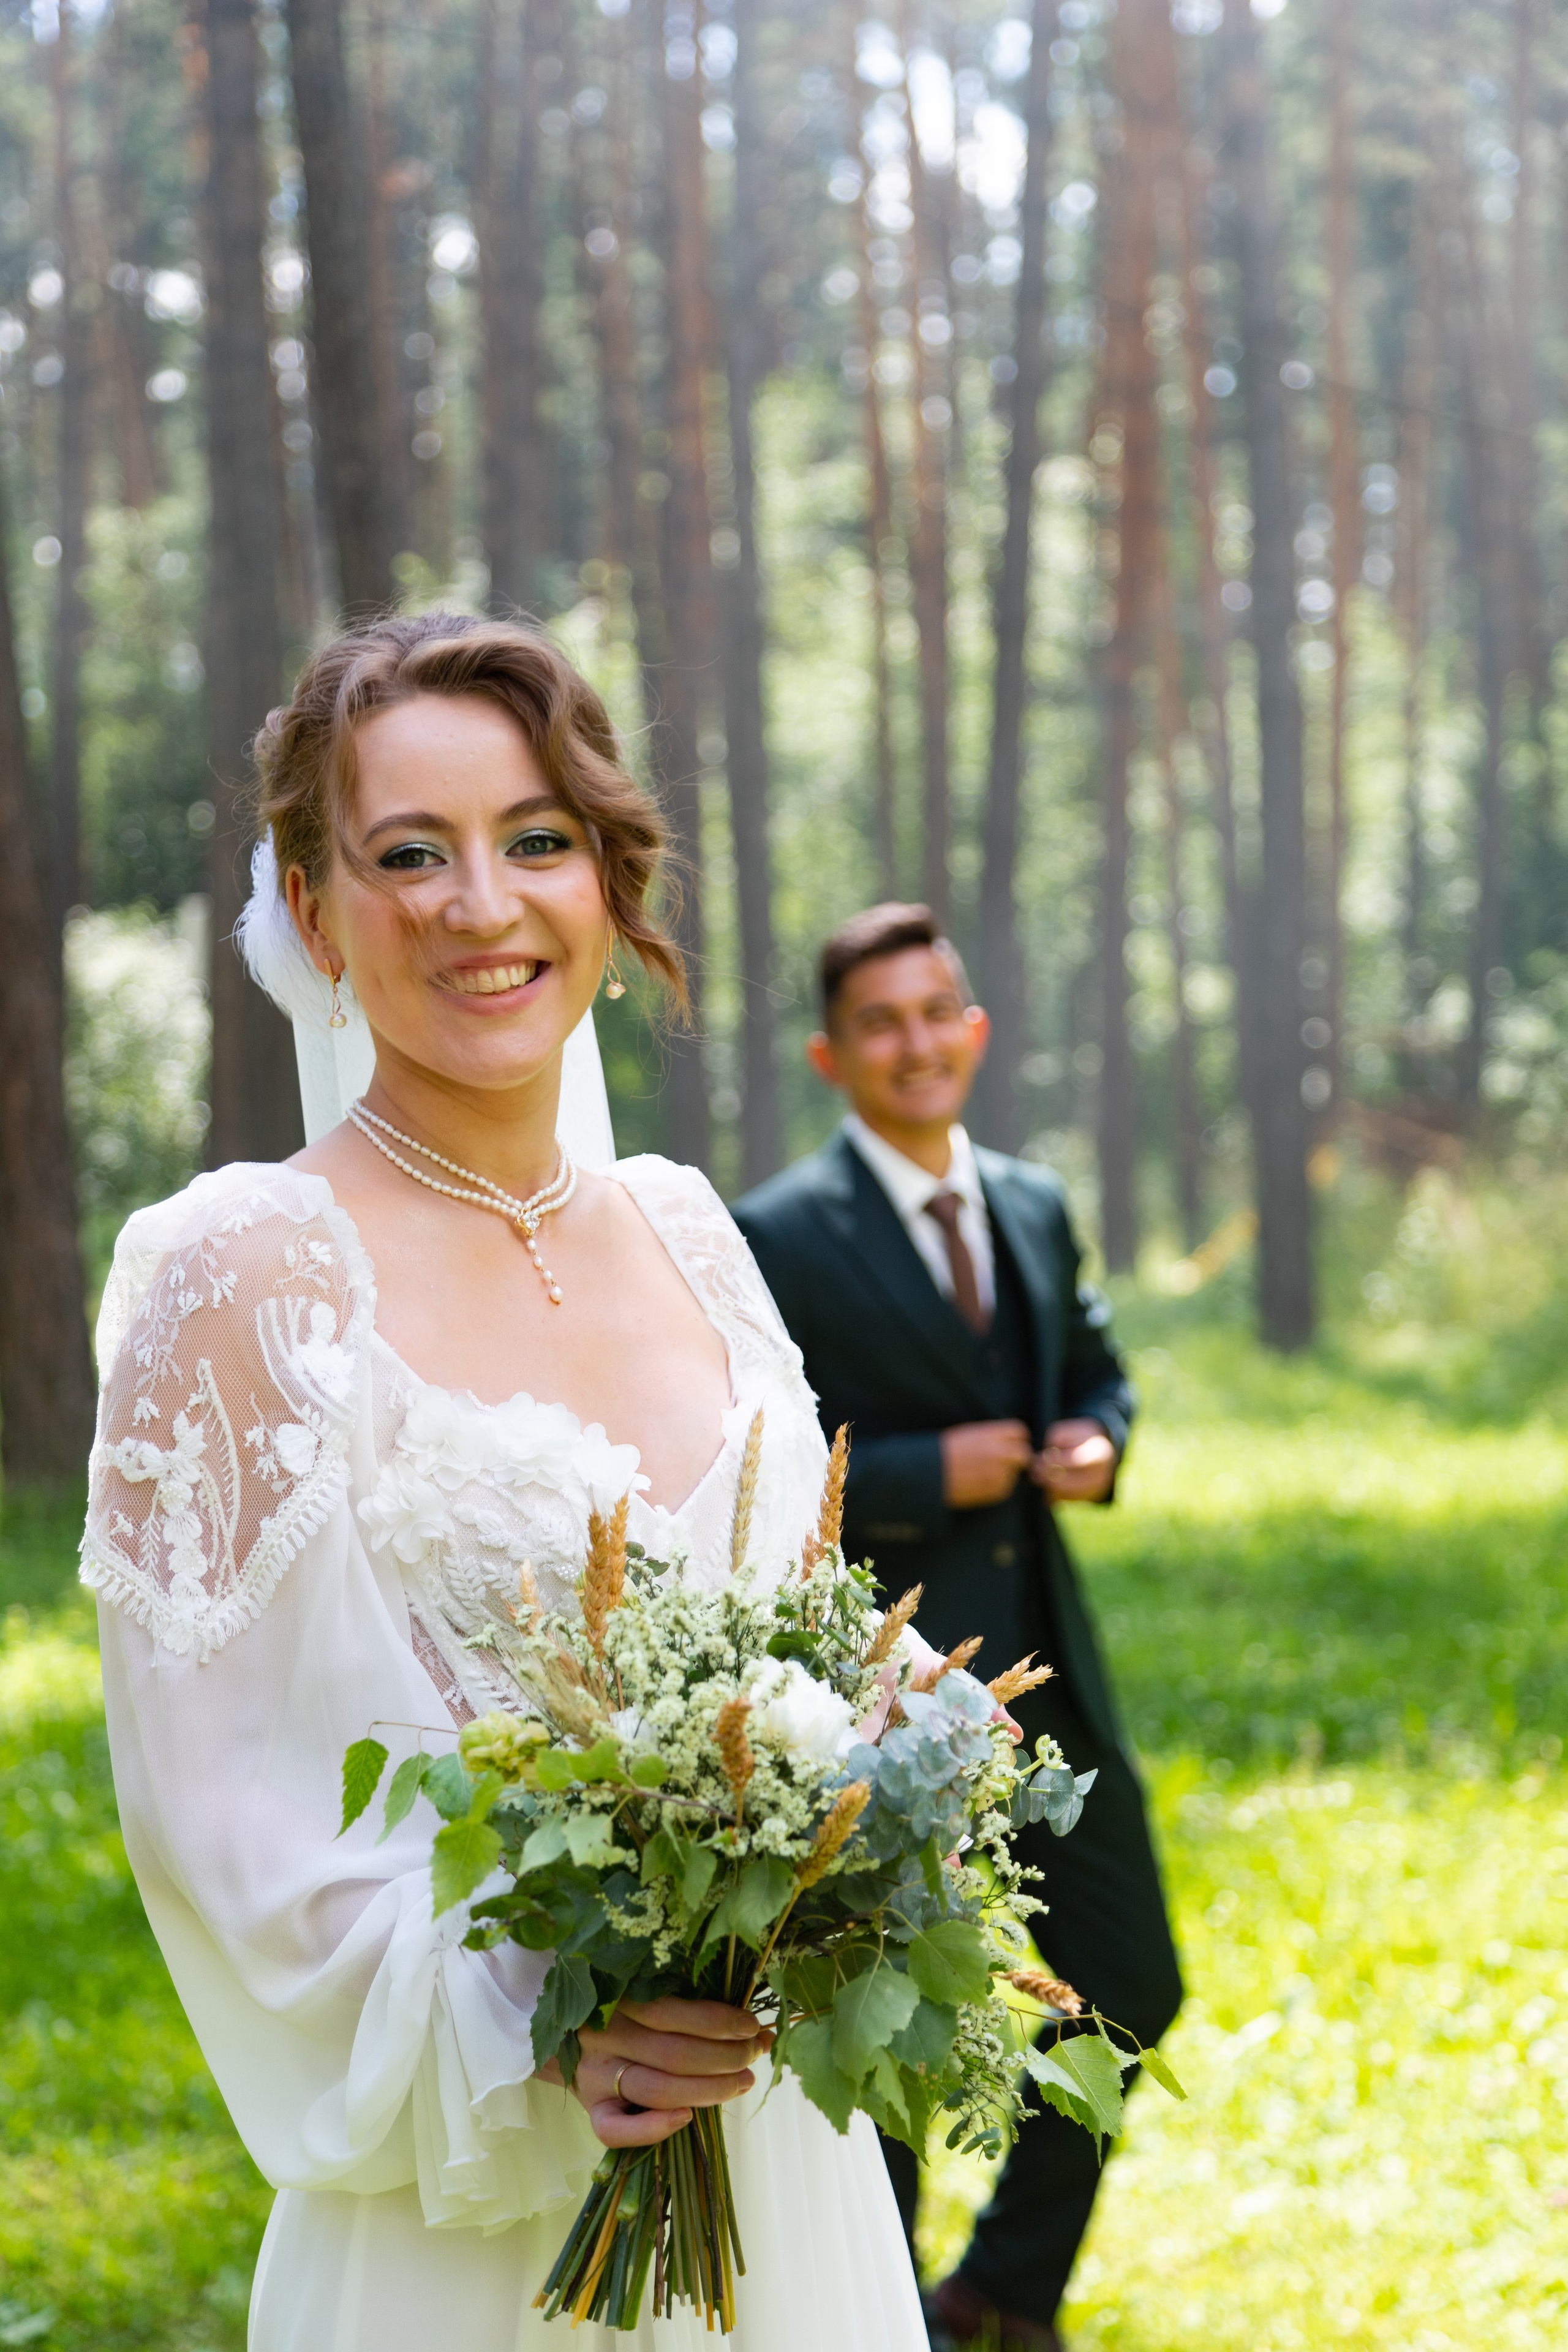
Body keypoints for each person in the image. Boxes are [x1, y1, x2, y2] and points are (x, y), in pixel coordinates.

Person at [80, 616, 929, 2352]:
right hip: (475, 2223)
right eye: (409, 855)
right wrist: (541, 2018)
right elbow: (211, 1814)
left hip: (788, 2190)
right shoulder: (245, 1272)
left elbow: (810, 1631)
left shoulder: (694, 1233)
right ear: (314, 913)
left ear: (607, 887)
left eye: (536, 840)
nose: (483, 904)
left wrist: (910, 1765)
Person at [732, 904, 1182, 2352]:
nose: (914, 1043)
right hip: (887, 1694)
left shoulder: (1035, 1201)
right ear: (831, 1053)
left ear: (972, 1029)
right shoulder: (775, 1235)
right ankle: (877, 2324)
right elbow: (751, 1460)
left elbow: (1097, 1362)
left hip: (1050, 1671)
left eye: (936, 1012)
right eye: (879, 1021)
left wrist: (1098, 1442)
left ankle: (1002, 2288)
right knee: (884, 2025)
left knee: (1129, 1979)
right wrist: (930, 1475)